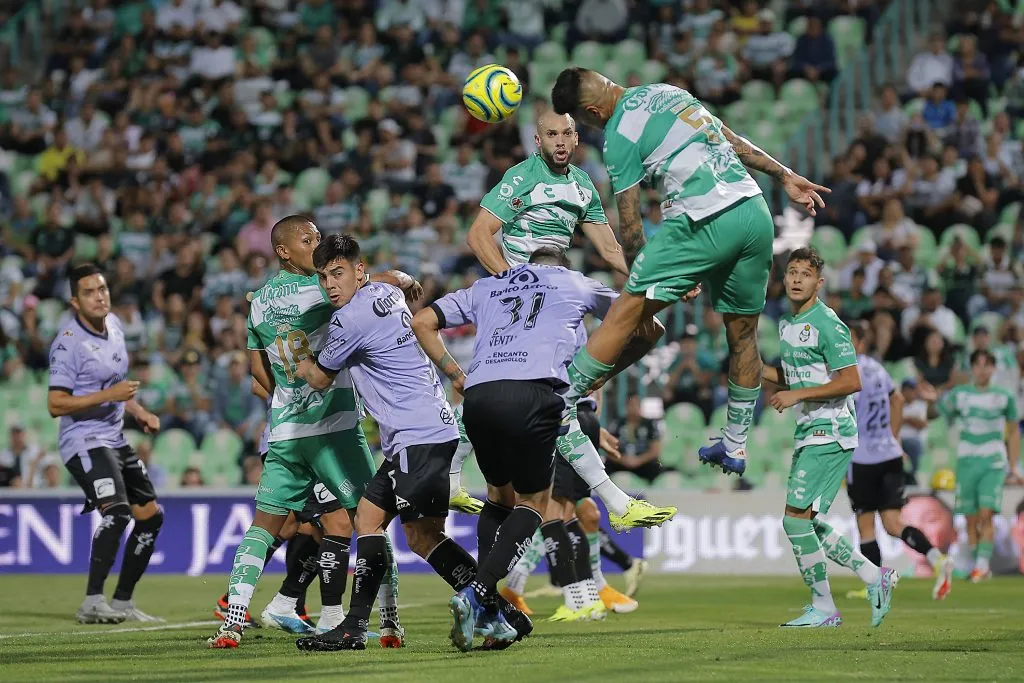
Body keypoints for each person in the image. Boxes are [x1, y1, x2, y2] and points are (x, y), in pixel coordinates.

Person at [550, 68, 829, 476]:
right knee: (743, 334)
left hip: (702, 220)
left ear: (591, 112)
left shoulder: (619, 134)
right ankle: (734, 444)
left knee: (627, 311)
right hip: (753, 211)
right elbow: (732, 141)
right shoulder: (667, 92)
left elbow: (629, 227)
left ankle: (559, 404)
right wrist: (784, 175)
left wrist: (648, 270)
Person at [411, 248, 673, 651]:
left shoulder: (488, 284)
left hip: (479, 397)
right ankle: (478, 592)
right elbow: (647, 325)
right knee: (534, 503)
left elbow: (423, 320)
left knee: (499, 497)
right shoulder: (576, 283)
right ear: (562, 265)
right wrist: (602, 371)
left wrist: (455, 374)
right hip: (535, 393)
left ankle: (491, 611)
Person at [290, 234, 527, 651]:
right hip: (420, 433)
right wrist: (402, 275)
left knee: (424, 537)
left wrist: (294, 349)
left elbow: (320, 378)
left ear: (358, 272)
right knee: (373, 522)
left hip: (418, 435)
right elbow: (395, 280)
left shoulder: (350, 320)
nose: (330, 285)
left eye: (338, 273)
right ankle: (499, 613)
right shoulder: (382, 291)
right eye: (324, 276)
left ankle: (491, 613)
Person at [206, 217, 401, 649]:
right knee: (372, 521)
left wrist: (290, 398)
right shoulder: (321, 289)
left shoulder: (257, 302)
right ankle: (389, 623)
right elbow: (362, 285)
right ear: (283, 250)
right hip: (333, 428)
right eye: (308, 239)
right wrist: (399, 277)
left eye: (317, 237)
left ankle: (233, 622)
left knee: (263, 528)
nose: (317, 245)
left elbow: (260, 376)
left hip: (284, 431)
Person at [760, 247, 896, 628]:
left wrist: (796, 396)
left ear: (819, 283)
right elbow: (799, 378)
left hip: (832, 430)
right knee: (807, 522)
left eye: (806, 273)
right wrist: (758, 371)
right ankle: (875, 576)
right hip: (809, 431)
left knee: (793, 522)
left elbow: (851, 381)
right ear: (784, 279)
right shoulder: (787, 326)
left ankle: (824, 607)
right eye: (792, 272)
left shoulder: (829, 323)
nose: (797, 279)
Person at [47, 263, 164, 624]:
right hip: (82, 440)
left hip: (114, 438)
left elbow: (115, 382)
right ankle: (92, 602)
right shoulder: (68, 344)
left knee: (151, 518)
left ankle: (123, 603)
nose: (100, 297)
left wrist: (137, 409)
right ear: (74, 301)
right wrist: (109, 395)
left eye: (103, 289)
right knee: (117, 513)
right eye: (89, 292)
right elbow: (56, 404)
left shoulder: (114, 325)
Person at [845, 321, 954, 601]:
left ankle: (875, 586)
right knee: (894, 523)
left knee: (866, 525)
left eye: (845, 337)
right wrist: (893, 438)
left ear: (858, 342)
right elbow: (898, 402)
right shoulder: (879, 369)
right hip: (890, 455)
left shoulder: (846, 371)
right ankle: (937, 557)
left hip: (863, 457)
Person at [935, 349, 1022, 582]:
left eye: (987, 364)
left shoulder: (1004, 396)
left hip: (992, 461)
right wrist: (932, 398)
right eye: (978, 364)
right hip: (966, 461)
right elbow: (939, 413)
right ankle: (977, 565)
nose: (982, 369)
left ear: (993, 368)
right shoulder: (960, 395)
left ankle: (982, 566)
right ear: (972, 368)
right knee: (971, 519)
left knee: (986, 514)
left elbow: (1013, 432)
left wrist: (1013, 466)